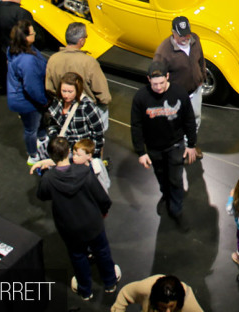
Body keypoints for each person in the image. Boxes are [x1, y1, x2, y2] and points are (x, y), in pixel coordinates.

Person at [34, 136, 122, 302]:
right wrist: (102, 213)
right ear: (68, 152)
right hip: (92, 223)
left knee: (78, 256)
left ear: (51, 155)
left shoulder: (48, 180)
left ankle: (85, 290)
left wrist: (46, 170)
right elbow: (103, 198)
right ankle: (110, 283)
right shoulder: (84, 172)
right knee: (102, 251)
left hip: (69, 228)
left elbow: (42, 195)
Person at [132, 64, 198, 225]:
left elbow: (189, 119)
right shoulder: (140, 97)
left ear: (167, 76)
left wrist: (191, 144)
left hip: (175, 145)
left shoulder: (179, 93)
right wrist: (141, 152)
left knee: (175, 179)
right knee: (161, 176)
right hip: (154, 147)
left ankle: (176, 208)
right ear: (148, 80)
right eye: (155, 84)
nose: (159, 87)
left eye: (161, 83)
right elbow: (136, 125)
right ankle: (166, 195)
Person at [154, 16, 206, 158]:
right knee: (176, 124)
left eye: (187, 33)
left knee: (195, 118)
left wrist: (202, 77)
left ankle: (191, 145)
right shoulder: (163, 51)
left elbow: (201, 59)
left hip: (195, 90)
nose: (185, 37)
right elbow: (157, 76)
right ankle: (179, 150)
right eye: (181, 35)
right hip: (176, 96)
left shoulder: (195, 40)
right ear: (173, 33)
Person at [46, 22, 112, 130]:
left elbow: (49, 88)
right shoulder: (89, 62)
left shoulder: (53, 59)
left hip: (63, 107)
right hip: (86, 111)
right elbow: (103, 95)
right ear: (81, 40)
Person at [7, 19, 49, 164]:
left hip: (22, 97)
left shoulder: (17, 49)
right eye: (32, 33)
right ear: (25, 37)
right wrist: (44, 101)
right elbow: (32, 87)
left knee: (37, 121)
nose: (35, 34)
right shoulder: (27, 61)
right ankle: (33, 155)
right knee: (30, 128)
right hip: (26, 102)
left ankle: (42, 137)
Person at [43, 72, 105, 157]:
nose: (66, 95)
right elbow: (52, 124)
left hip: (81, 153)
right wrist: (54, 138)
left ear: (78, 90)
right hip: (63, 151)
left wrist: (93, 154)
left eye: (70, 92)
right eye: (63, 91)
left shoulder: (87, 106)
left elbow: (98, 133)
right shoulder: (57, 101)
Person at [111, 274, 203, 312]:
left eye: (171, 307)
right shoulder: (145, 288)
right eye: (163, 307)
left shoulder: (188, 302)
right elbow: (125, 293)